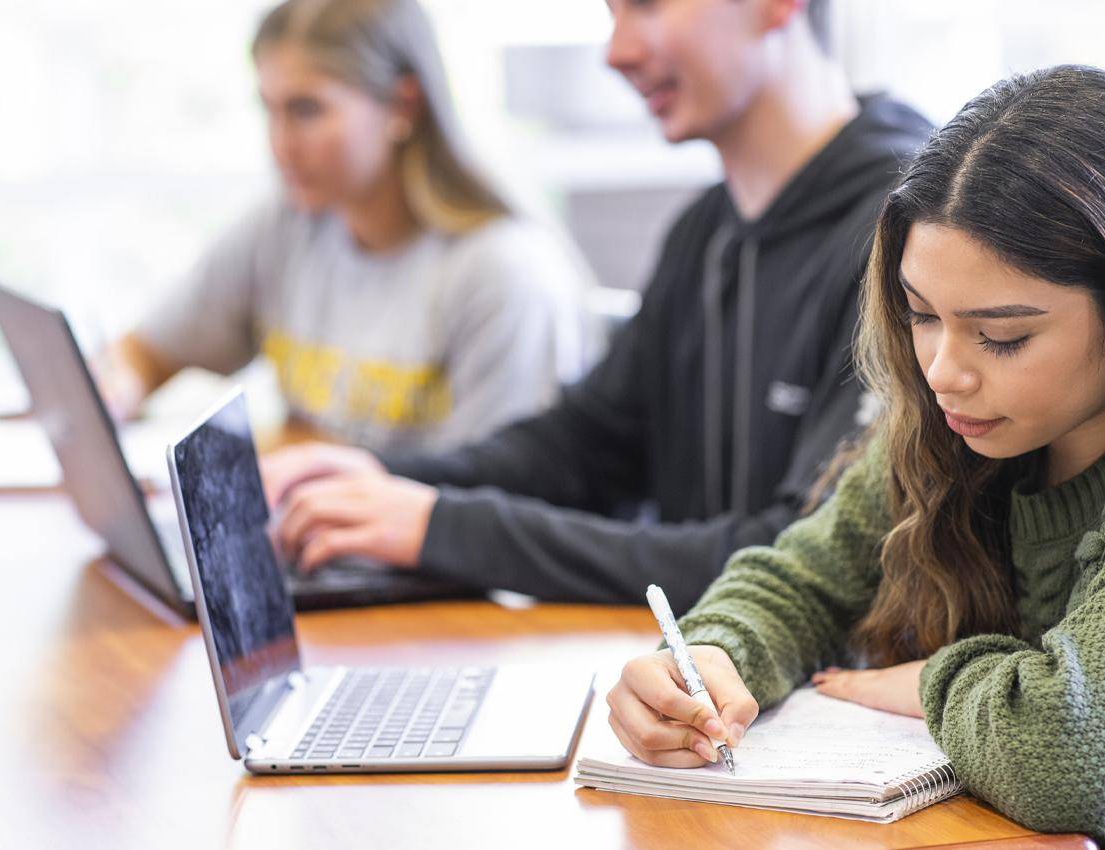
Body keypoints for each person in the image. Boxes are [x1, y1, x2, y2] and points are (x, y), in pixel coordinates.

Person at [604, 65, 1105, 847]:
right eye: (922, 314)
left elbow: (1073, 763)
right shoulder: (956, 431)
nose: (943, 371)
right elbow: (798, 580)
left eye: (1002, 336)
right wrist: (713, 655)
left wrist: (934, 685)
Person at [259, 0, 934, 606]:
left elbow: (800, 557)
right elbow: (585, 447)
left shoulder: (910, 239)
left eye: (645, 5)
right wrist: (387, 485)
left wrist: (442, 528)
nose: (616, 51)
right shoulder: (707, 230)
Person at [97, 0, 589, 455]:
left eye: (306, 110)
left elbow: (496, 501)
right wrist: (115, 390)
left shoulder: (503, 273)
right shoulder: (285, 226)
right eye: (268, 108)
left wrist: (299, 450)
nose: (279, 143)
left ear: (403, 105)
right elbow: (146, 352)